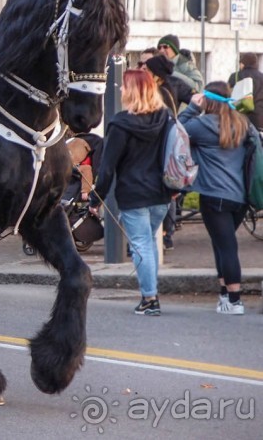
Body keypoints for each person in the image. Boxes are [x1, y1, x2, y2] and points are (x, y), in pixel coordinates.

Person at [89, 70, 172, 316]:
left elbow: (107, 168)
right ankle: (151, 292)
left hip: (134, 194)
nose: (122, 91)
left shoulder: (120, 124)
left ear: (132, 91)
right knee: (149, 243)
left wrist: (96, 198)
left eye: (124, 87)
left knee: (141, 245)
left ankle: (149, 298)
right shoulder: (165, 118)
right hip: (162, 194)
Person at [179, 82, 250, 315]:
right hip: (240, 196)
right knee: (221, 244)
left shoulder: (201, 125)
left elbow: (177, 130)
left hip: (213, 195)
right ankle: (224, 295)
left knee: (227, 246)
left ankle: (235, 300)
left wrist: (191, 107)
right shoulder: (242, 123)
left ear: (206, 101)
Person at [142, 54, 194, 251]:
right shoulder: (167, 89)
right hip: (166, 146)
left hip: (162, 147)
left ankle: (166, 233)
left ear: (156, 75)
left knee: (167, 187)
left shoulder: (160, 93)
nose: (143, 72)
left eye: (147, 69)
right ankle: (165, 233)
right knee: (168, 188)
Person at [228, 52, 263, 131]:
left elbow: (227, 94)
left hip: (239, 116)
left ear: (243, 63)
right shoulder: (261, 77)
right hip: (259, 118)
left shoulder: (235, 76)